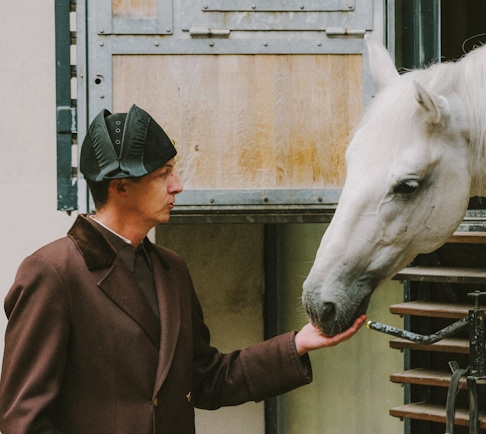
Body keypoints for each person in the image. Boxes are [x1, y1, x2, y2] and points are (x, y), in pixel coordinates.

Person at [0, 104, 366, 433]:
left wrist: (298, 344)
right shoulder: (50, 273)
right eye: (163, 174)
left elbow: (207, 379)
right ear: (121, 187)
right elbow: (23, 422)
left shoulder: (171, 269)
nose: (177, 186)